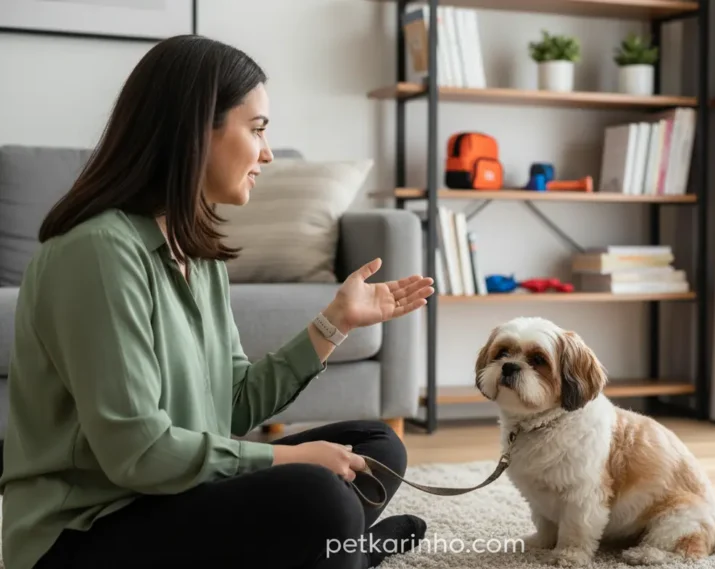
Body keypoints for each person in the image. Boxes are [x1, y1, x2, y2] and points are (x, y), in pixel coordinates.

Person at [0, 35, 434, 569]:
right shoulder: (97, 253)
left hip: (172, 500)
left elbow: (230, 407)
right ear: (196, 131)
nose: (268, 153)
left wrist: (334, 323)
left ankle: (333, 554)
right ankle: (344, 553)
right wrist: (289, 456)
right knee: (321, 499)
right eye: (256, 130)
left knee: (376, 448)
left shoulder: (196, 254)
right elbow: (138, 453)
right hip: (83, 533)